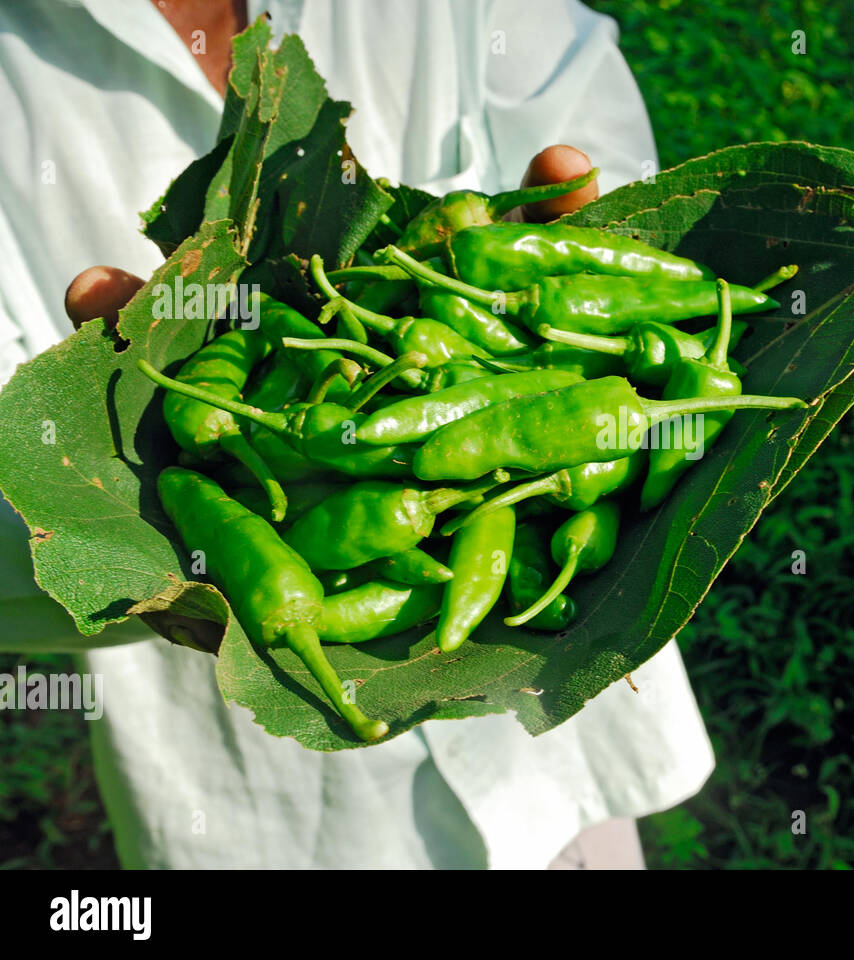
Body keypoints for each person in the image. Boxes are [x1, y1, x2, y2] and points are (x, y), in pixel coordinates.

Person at [0, 0, 715, 869]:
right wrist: (116, 518)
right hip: (277, 824)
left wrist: (579, 239)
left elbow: (594, 141)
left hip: (559, 750)